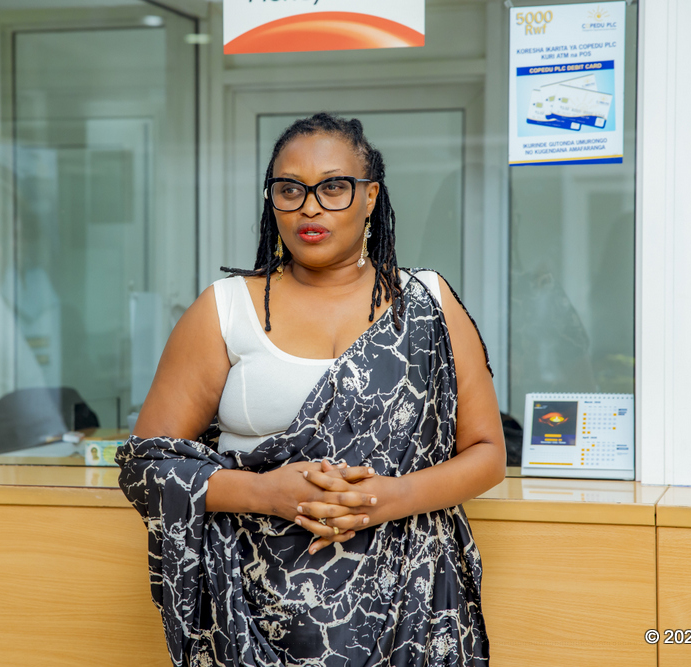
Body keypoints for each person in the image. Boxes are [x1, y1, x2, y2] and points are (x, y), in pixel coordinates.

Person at [119, 113, 506, 666]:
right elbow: (147, 467)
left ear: (370, 197)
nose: (309, 207)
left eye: (333, 187)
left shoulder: (428, 304)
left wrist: (385, 500)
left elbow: (488, 453)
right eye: (289, 189)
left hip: (410, 603)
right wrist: (266, 493)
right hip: (253, 614)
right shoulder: (225, 309)